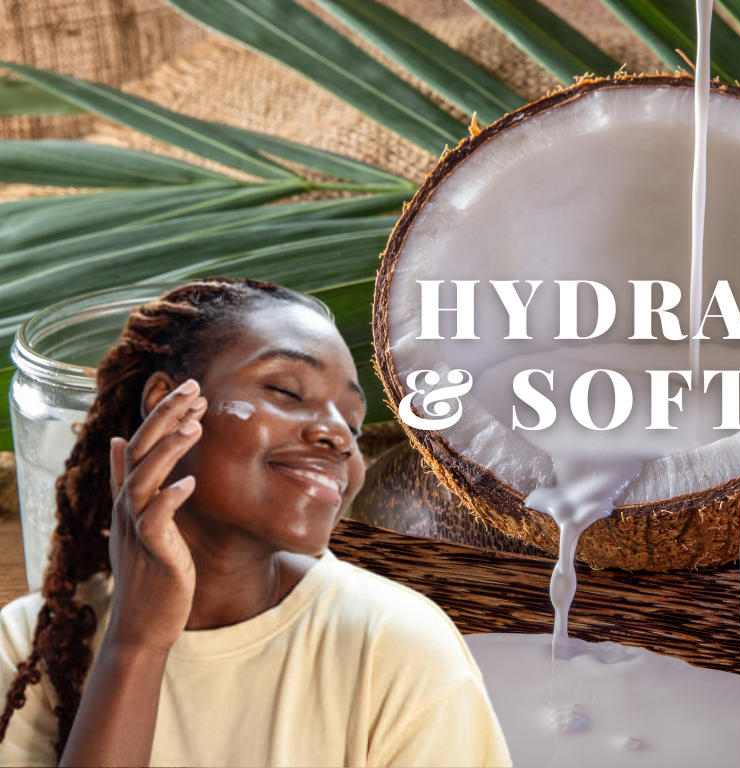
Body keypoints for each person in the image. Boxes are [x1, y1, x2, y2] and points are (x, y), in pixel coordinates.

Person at [0, 277, 512, 767]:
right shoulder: (25, 650)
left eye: (353, 423)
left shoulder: (396, 645)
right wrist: (135, 643)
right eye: (287, 391)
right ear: (169, 406)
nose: (340, 436)